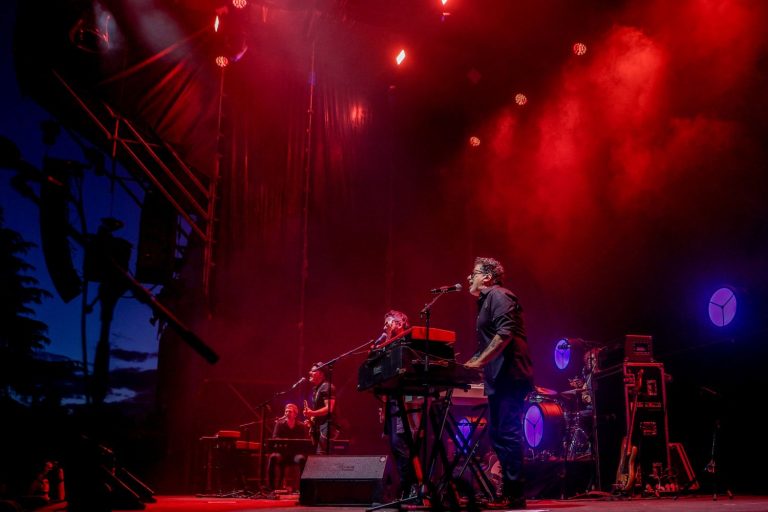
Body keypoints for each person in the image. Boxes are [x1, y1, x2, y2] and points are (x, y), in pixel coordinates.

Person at [465, 256, 533, 510]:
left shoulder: (500, 295)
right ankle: (509, 491)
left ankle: (515, 495)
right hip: (498, 378)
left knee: (508, 432)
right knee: (497, 434)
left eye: (474, 273)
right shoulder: (485, 302)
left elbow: (505, 335)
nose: (468, 277)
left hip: (510, 375)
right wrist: (468, 365)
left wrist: (478, 362)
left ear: (488, 277)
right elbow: (487, 344)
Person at [378, 310, 421, 499]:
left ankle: (411, 487)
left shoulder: (408, 343)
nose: (386, 326)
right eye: (385, 323)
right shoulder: (389, 345)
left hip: (407, 401)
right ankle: (407, 486)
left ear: (402, 322)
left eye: (390, 322)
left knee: (402, 443)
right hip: (393, 401)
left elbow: (413, 376)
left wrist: (412, 409)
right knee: (396, 445)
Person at [266, 403, 309, 491]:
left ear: (295, 414)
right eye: (286, 411)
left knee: (302, 459)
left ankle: (303, 488)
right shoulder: (279, 424)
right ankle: (271, 487)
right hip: (282, 453)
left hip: (295, 454)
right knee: (273, 458)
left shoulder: (301, 426)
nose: (287, 413)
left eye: (289, 411)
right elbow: (275, 437)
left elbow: (305, 441)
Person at [303, 362, 337, 454]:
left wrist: (312, 413)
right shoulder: (317, 389)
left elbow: (329, 408)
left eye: (313, 371)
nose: (310, 372)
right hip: (321, 427)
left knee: (321, 455)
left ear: (321, 374)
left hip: (327, 427)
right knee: (317, 457)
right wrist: (312, 420)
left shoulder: (327, 387)